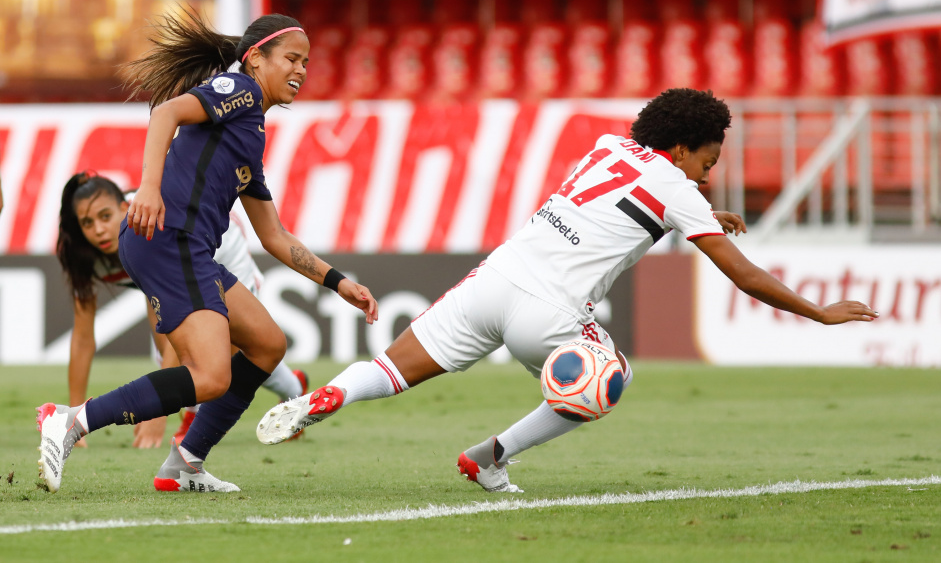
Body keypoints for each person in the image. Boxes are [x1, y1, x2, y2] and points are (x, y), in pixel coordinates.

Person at [256, 88, 878, 493]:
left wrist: (706, 211)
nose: (707, 173)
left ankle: (329, 394)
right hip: (550, 312)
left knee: (391, 369)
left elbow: (632, 198)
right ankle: (492, 455)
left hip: (494, 277)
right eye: (708, 162)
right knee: (611, 378)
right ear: (683, 148)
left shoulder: (608, 147)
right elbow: (742, 274)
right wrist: (818, 313)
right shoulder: (678, 189)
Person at [36, 10, 378, 494]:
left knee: (266, 344)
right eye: (292, 58)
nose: (301, 70)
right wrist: (148, 189)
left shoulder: (249, 132)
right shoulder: (237, 90)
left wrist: (338, 281)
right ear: (256, 59)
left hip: (188, 249)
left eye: (307, 62)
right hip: (169, 240)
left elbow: (275, 236)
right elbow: (165, 113)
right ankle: (72, 420)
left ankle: (186, 461)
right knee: (212, 375)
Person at [56, 171, 309, 450]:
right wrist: (75, 410)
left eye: (105, 217)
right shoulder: (80, 253)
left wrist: (157, 412)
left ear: (125, 208)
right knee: (170, 352)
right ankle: (295, 390)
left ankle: (198, 419)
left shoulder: (148, 225)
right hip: (169, 271)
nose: (99, 230)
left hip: (219, 243)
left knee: (237, 342)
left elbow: (179, 312)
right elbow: (82, 337)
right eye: (87, 223)